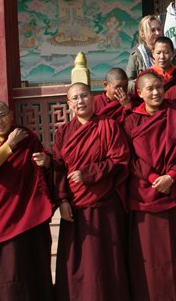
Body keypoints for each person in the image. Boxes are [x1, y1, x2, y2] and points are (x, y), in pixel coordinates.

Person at [125, 72, 176, 301]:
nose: (156, 92)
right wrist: (154, 178)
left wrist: (173, 176)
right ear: (139, 93)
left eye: (159, 87)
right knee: (151, 254)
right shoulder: (131, 121)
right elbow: (129, 157)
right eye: (150, 89)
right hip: (146, 194)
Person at [53, 83, 130, 301]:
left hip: (105, 202)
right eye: (75, 98)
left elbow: (120, 158)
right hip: (75, 207)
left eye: (84, 96)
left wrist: (89, 173)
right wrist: (62, 199)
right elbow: (58, 168)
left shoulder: (109, 125)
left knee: (107, 259)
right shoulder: (63, 132)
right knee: (79, 262)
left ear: (92, 98)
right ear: (69, 104)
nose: (80, 101)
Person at [0, 100, 54, 301]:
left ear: (10, 114)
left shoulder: (27, 137)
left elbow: (43, 165)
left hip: (30, 214)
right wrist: (10, 144)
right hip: (3, 217)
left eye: (2, 115)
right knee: (7, 269)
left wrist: (47, 162)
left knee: (32, 263)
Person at [126, 14, 162, 82]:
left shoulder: (168, 52)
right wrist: (143, 84)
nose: (157, 33)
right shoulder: (136, 56)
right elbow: (128, 82)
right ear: (142, 34)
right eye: (152, 30)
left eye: (159, 29)